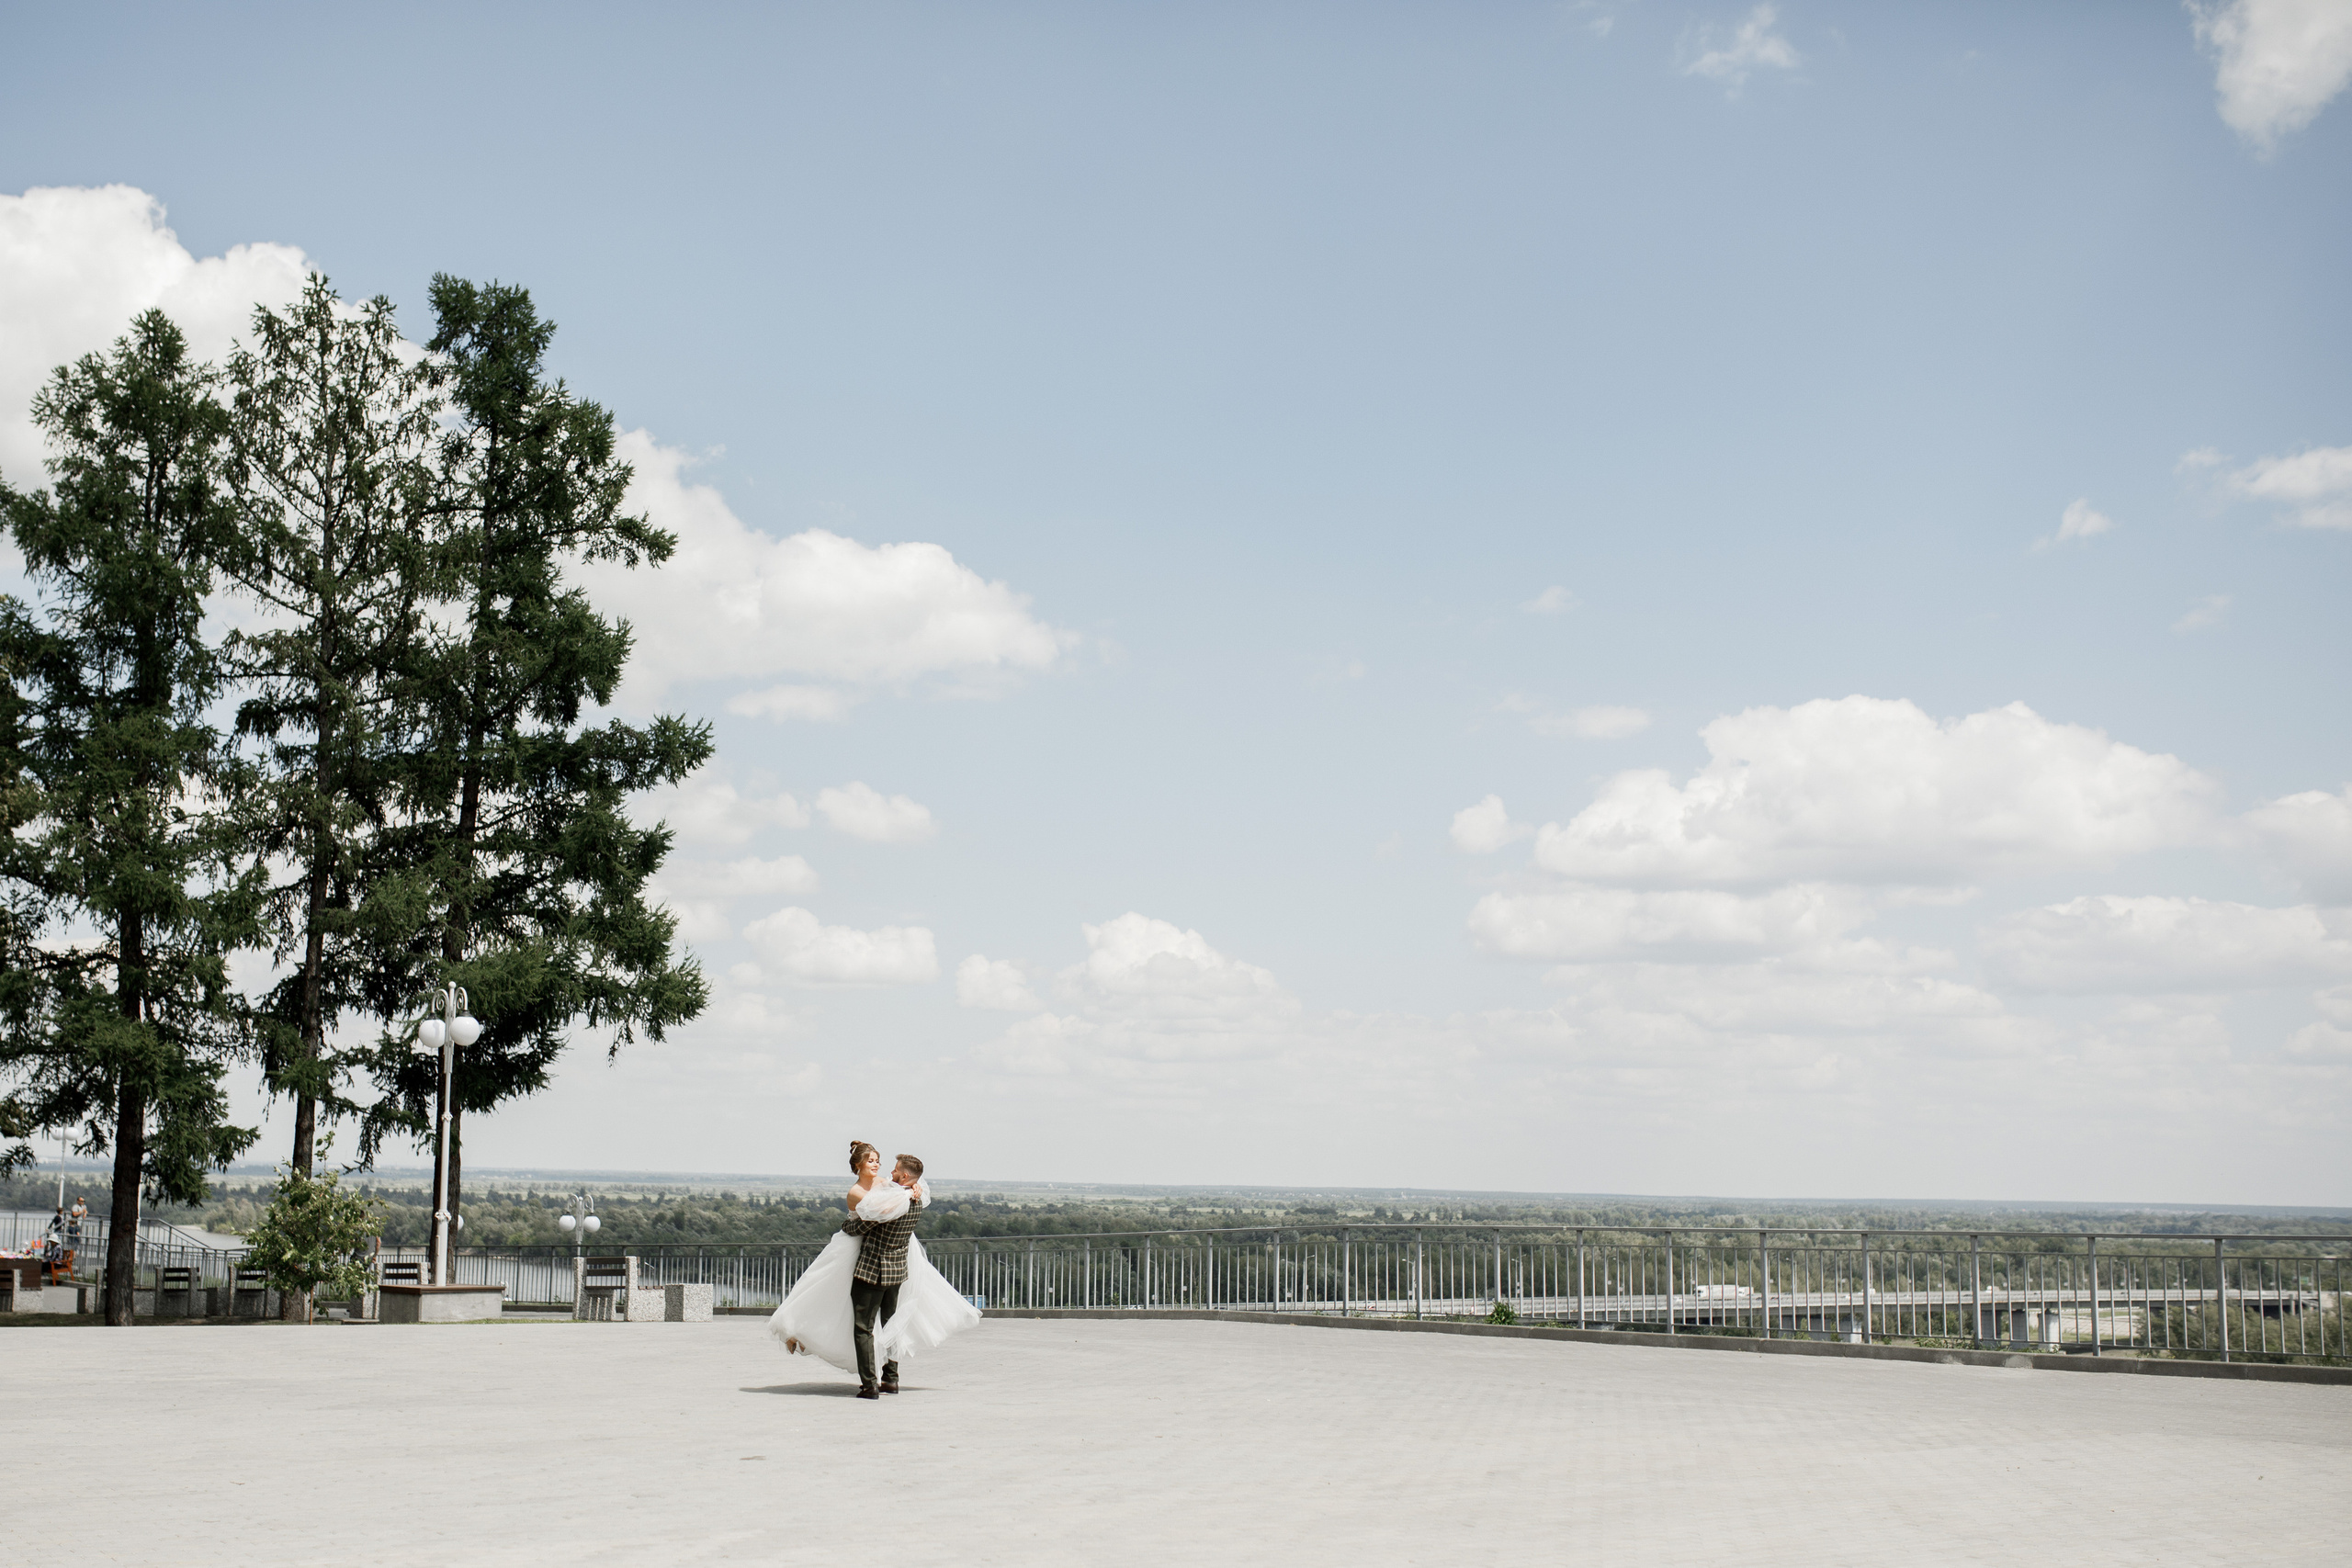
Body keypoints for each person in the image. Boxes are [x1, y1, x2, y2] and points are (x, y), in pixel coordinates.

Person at [765, 1141, 980, 1397]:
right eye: (872, 1160)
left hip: (874, 1264)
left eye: (880, 1160)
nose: (879, 1165)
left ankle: (870, 1385)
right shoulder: (869, 1192)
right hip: (893, 1266)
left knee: (864, 1326)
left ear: (903, 1175)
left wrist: (849, 1226)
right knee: (891, 1322)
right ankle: (890, 1379)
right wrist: (913, 1189)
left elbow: (864, 1225)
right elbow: (895, 1200)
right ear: (858, 1166)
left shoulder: (891, 1189)